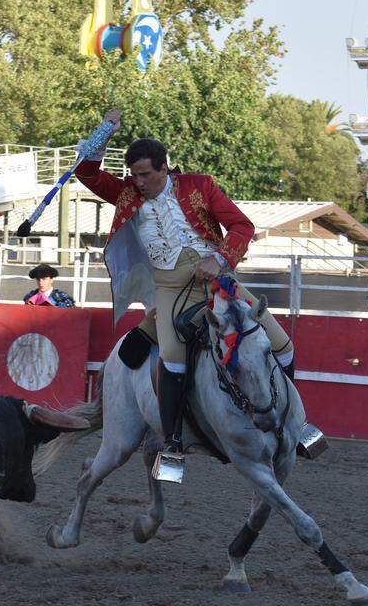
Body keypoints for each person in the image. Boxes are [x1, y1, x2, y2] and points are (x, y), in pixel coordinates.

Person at [74, 134, 294, 455]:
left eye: (146, 175)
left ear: (164, 168)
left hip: (219, 284)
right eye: (135, 175)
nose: (140, 182)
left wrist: (218, 259)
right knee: (173, 359)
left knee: (282, 346)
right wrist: (102, 136)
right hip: (171, 289)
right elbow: (87, 174)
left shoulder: (200, 186)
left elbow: (241, 226)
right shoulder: (126, 194)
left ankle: (293, 425)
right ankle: (173, 441)